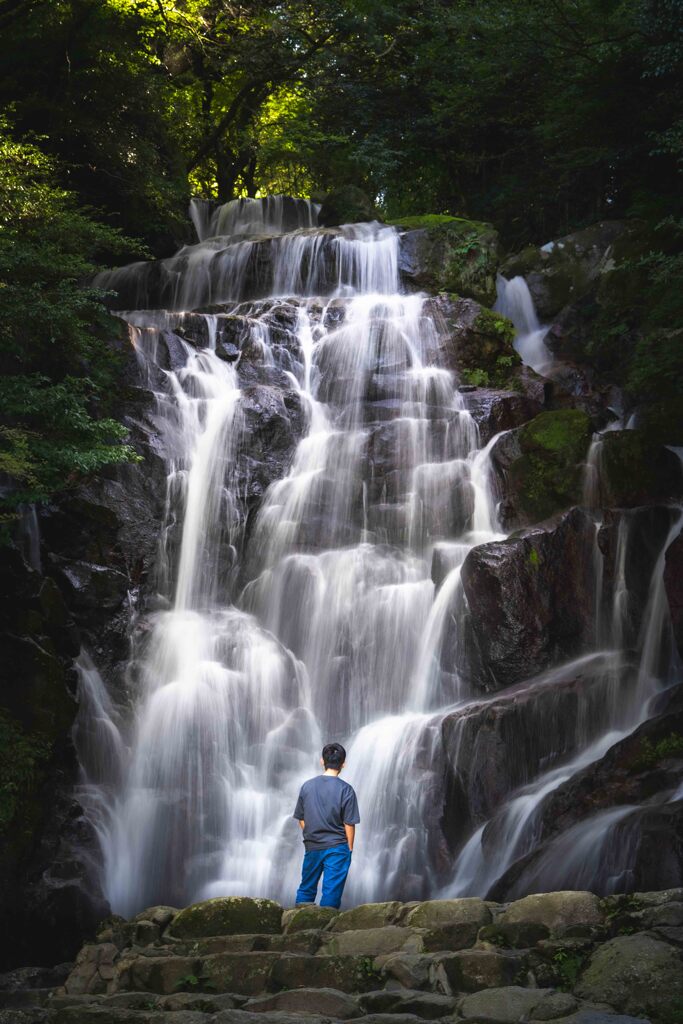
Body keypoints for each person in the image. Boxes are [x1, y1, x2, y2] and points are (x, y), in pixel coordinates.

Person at [293, 742, 360, 909]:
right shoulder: (346, 790)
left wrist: (312, 833)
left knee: (307, 887)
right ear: (343, 764)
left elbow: (301, 818)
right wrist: (349, 848)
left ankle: (298, 926)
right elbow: (349, 823)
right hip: (337, 846)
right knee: (331, 892)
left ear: (322, 761)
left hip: (312, 845)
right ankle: (324, 928)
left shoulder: (307, 786)